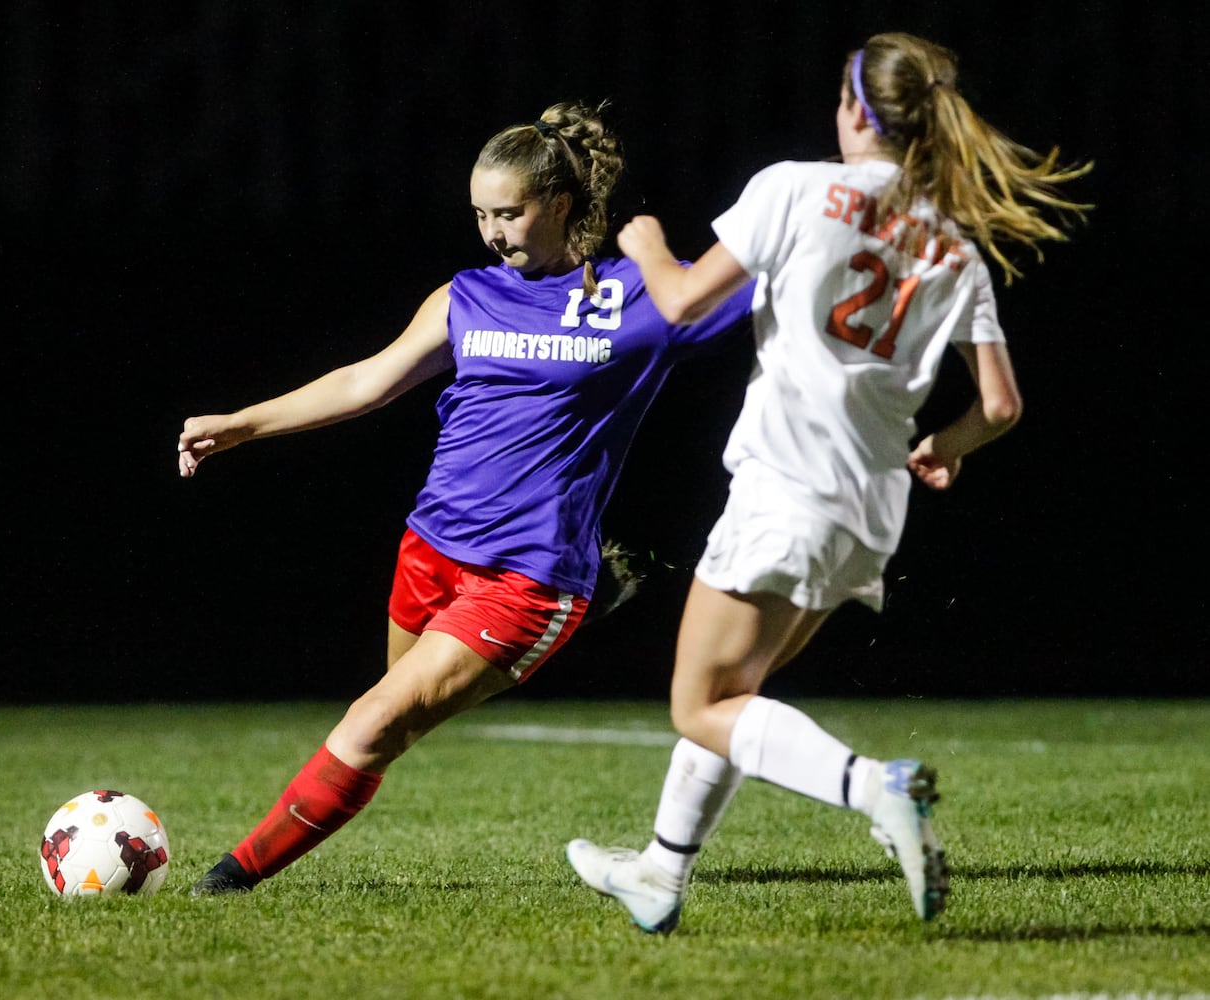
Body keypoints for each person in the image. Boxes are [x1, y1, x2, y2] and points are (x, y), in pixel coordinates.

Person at [567, 32, 1092, 932]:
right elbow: (1000, 406)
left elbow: (685, 301)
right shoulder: (950, 243)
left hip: (785, 484)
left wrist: (646, 245)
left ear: (854, 109)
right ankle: (660, 871)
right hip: (869, 504)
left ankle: (875, 789)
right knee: (742, 688)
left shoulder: (792, 187)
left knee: (699, 705)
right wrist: (945, 445)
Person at [176, 101, 756, 895]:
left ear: (558, 204)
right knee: (385, 726)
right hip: (430, 547)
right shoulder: (466, 296)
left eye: (508, 213)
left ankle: (224, 885)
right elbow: (367, 381)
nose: (491, 232)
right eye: (480, 214)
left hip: (525, 575)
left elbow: (770, 286)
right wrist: (246, 423)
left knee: (371, 724)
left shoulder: (637, 298)